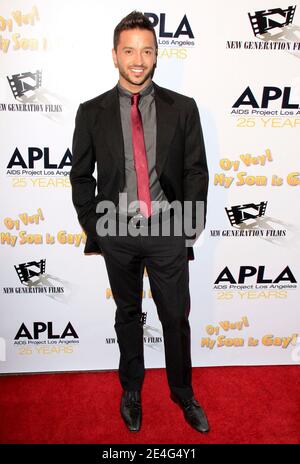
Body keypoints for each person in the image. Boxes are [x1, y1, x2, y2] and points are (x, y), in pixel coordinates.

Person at [70, 11, 209, 433]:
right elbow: (81, 175)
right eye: (129, 50)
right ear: (115, 55)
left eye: (146, 50)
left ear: (156, 55)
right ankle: (131, 389)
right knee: (128, 314)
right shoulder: (91, 112)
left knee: (175, 316)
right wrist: (96, 227)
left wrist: (189, 224)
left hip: (168, 228)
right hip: (117, 230)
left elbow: (196, 171)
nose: (138, 58)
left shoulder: (182, 108)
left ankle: (182, 392)